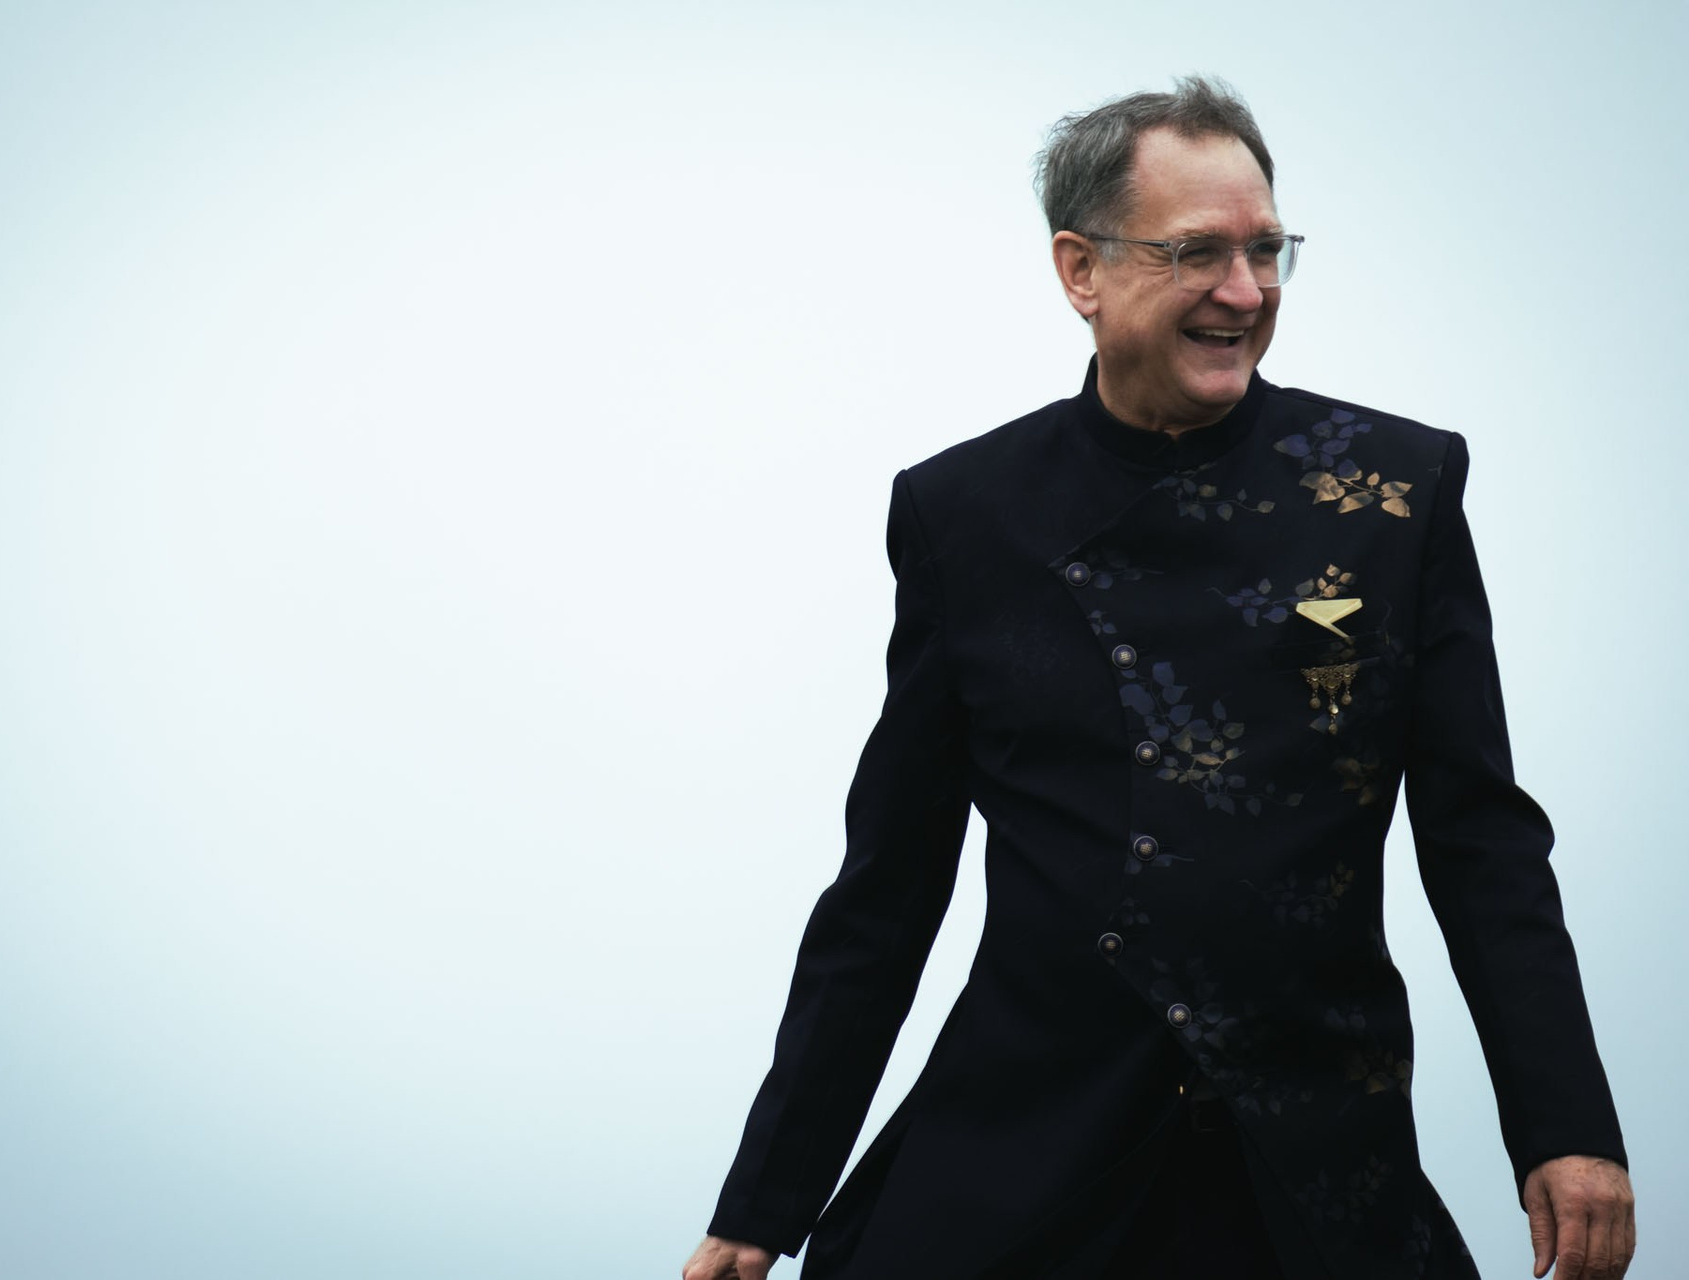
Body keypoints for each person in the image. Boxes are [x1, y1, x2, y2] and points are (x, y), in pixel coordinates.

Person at [680, 77, 1635, 1280]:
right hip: (1027, 1148)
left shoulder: (1396, 489)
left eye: (1266, 250)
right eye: (1196, 253)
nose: (1245, 291)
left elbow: (1480, 838)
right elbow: (889, 885)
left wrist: (1566, 1125)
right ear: (1080, 270)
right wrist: (764, 1201)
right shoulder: (964, 511)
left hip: (1311, 1153)